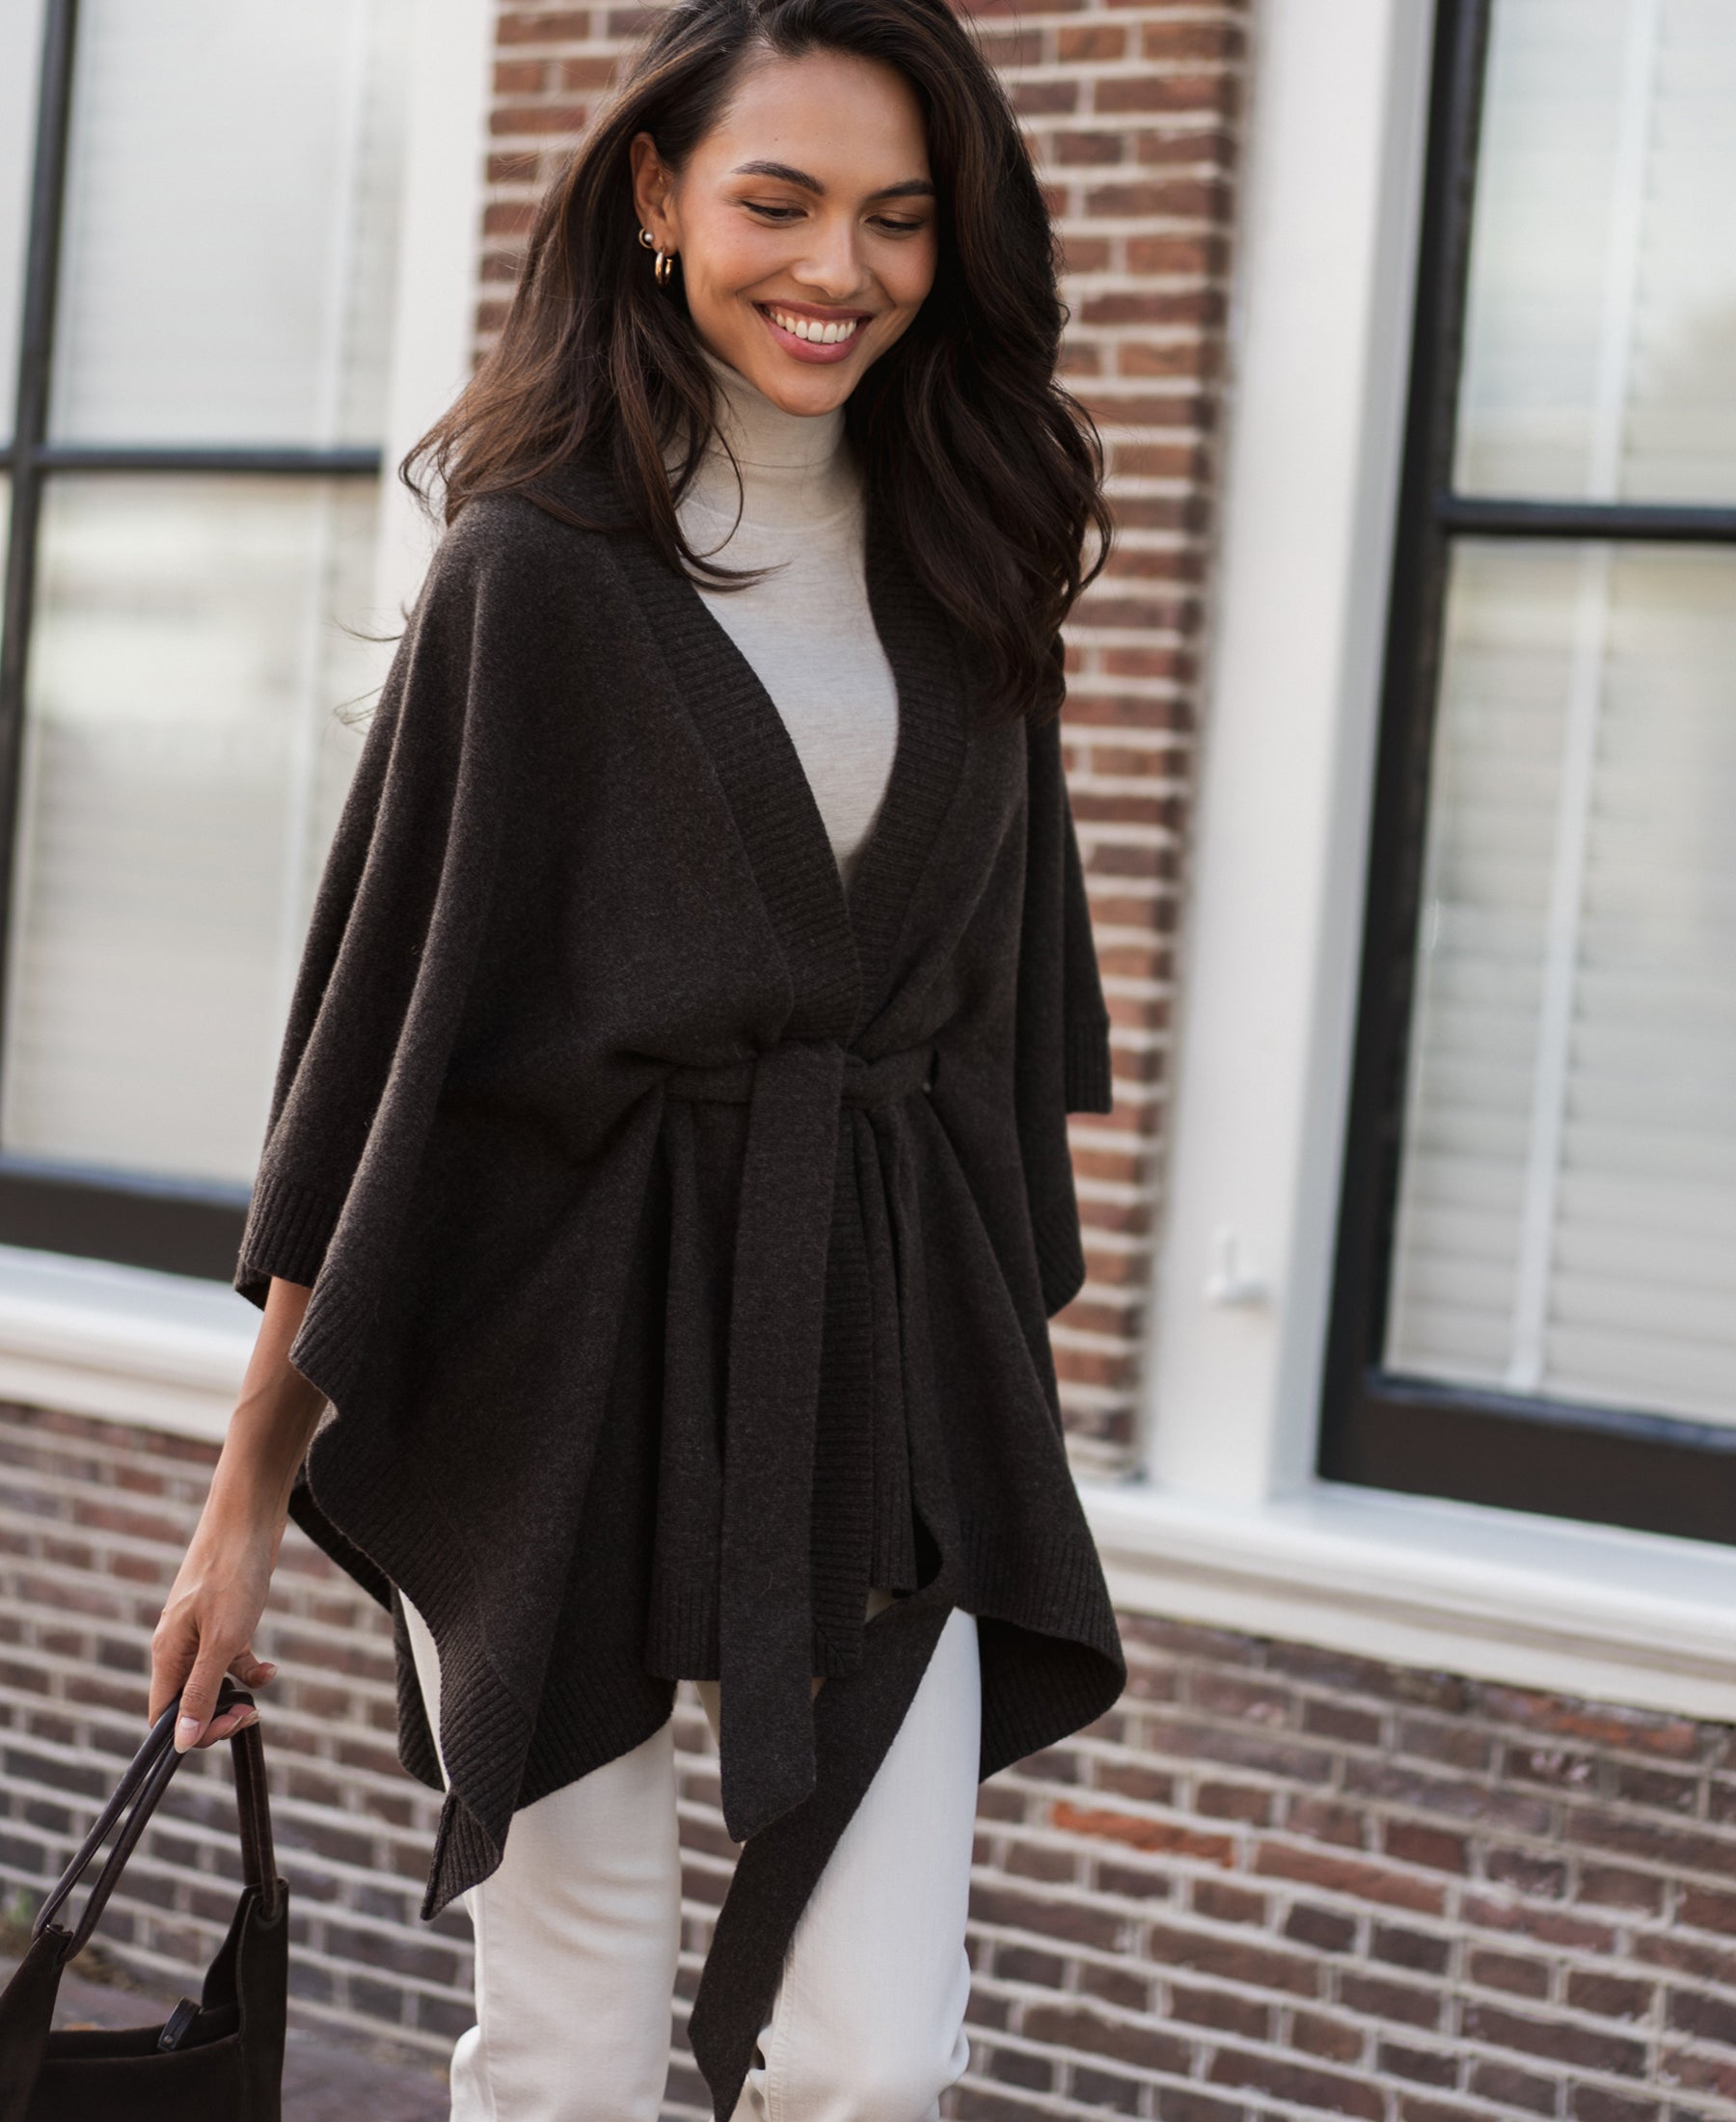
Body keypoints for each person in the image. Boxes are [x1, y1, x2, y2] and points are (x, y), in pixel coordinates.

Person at [149, 0, 1126, 2113]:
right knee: (570, 2044)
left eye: (897, 218)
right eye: (778, 201)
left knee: (874, 2053)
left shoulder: (976, 566)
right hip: (555, 1350)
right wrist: (245, 1493)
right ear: (661, 200)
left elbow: (990, 1035)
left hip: (869, 1333)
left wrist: (984, 1362)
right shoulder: (538, 573)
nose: (836, 269)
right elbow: (383, 1062)